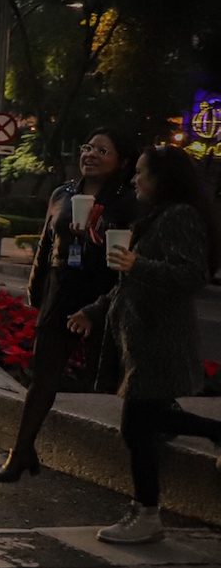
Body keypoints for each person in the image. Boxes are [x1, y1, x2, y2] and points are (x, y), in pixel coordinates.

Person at [66, 145, 220, 543]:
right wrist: (94, 312)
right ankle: (147, 511)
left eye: (141, 172)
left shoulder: (180, 217)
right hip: (140, 340)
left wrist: (138, 263)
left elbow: (192, 275)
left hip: (160, 340)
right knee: (143, 425)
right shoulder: (154, 217)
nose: (135, 179)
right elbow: (127, 286)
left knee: (137, 426)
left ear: (162, 178)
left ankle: (147, 514)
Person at [0, 128, 140, 481]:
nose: (91, 154)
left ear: (120, 161)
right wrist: (36, 290)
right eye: (87, 147)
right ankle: (21, 451)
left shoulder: (129, 200)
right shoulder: (63, 193)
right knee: (42, 376)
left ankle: (151, 442)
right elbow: (46, 244)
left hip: (103, 294)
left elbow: (133, 253)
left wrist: (98, 232)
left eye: (103, 150)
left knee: (115, 375)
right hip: (61, 291)